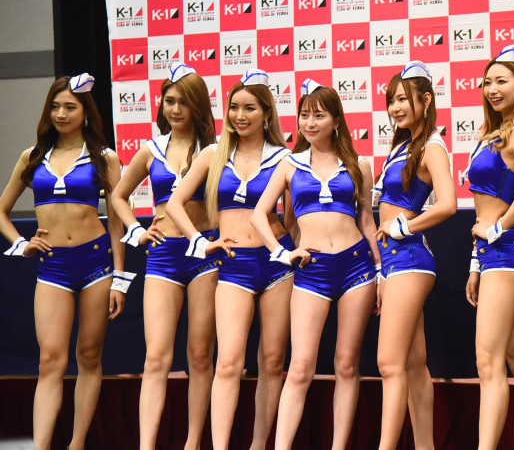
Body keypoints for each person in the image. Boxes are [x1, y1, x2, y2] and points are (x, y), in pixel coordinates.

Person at [0, 74, 132, 450]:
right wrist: (21, 244)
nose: (61, 114)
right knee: (50, 360)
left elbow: (117, 221)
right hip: (53, 266)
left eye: (70, 107)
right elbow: (2, 211)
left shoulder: (104, 158)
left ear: (85, 112)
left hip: (95, 263)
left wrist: (120, 278)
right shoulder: (32, 157)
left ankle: (76, 444)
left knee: (89, 356)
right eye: (55, 107)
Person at [166, 68, 294, 449]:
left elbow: (294, 218)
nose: (240, 115)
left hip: (276, 266)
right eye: (234, 108)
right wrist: (199, 241)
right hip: (233, 265)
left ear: (267, 113)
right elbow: (174, 204)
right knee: (228, 362)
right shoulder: (214, 154)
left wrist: (292, 251)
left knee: (272, 361)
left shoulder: (286, 158)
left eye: (249, 108)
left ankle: (258, 445)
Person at [251, 79, 379, 450]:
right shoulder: (289, 164)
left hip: (357, 267)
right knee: (300, 367)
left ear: (336, 120)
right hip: (312, 270)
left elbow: (367, 220)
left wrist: (381, 271)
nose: (310, 123)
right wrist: (281, 252)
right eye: (304, 115)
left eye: (319, 116)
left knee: (347, 364)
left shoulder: (359, 164)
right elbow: (260, 215)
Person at [109, 63, 217, 450]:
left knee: (200, 355)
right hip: (163, 255)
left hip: (205, 253)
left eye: (183, 102)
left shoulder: (216, 150)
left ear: (198, 106)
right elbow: (118, 196)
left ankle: (193, 442)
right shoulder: (151, 149)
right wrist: (136, 231)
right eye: (169, 101)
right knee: (155, 357)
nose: (175, 109)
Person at [461, 45, 514, 450]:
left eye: (502, 81)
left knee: (488, 362)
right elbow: (486, 208)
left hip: (506, 253)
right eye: (487, 82)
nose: (492, 89)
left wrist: (496, 230)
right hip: (506, 255)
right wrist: (476, 263)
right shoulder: (491, 135)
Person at [373, 61, 456, 450]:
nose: (395, 108)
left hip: (409, 257)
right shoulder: (403, 146)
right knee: (411, 362)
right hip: (393, 261)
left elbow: (448, 204)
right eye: (391, 101)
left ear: (426, 100)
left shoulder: (432, 145)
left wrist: (403, 227)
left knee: (388, 362)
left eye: (403, 100)